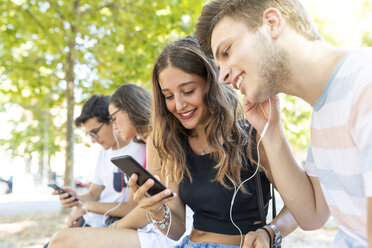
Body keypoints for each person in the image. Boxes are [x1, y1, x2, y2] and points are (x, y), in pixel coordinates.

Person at [195, 0, 372, 247]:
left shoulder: (365, 85)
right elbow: (312, 214)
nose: (222, 76)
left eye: (227, 51)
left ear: (271, 23)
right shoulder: (324, 113)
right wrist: (271, 130)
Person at [129, 36, 297, 248]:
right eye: (168, 96)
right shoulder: (177, 144)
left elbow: (299, 206)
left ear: (213, 83)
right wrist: (155, 211)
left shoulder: (254, 137)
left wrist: (270, 232)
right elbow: (177, 229)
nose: (179, 105)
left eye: (188, 91)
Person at [47, 84, 189, 248]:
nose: (114, 126)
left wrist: (113, 227)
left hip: (160, 231)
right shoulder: (148, 140)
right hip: (154, 226)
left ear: (130, 109)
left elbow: (151, 203)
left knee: (61, 240)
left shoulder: (155, 139)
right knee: (60, 239)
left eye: (114, 118)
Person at [55, 94, 145, 228]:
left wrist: (87, 207)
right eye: (90, 135)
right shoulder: (104, 153)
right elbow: (94, 193)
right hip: (90, 221)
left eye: (94, 132)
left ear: (111, 120)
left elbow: (132, 207)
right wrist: (76, 198)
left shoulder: (139, 149)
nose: (93, 140)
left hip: (113, 225)